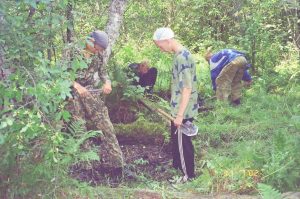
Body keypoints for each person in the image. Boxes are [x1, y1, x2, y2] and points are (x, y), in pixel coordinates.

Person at [67, 30, 124, 174]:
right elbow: (61, 73)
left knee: (106, 125)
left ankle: (118, 165)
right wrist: (77, 86)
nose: (98, 51)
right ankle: (86, 167)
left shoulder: (99, 54)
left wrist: (107, 83)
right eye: (96, 48)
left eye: (100, 50)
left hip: (90, 92)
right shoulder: (72, 50)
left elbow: (103, 73)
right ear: (90, 40)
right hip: (72, 94)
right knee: (79, 129)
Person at [153, 27, 198, 181]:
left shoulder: (182, 57)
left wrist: (179, 115)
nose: (161, 49)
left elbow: (187, 87)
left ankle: (188, 175)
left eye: (160, 46)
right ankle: (177, 167)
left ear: (167, 40)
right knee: (176, 140)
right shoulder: (179, 55)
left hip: (183, 110)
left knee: (183, 143)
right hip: (178, 108)